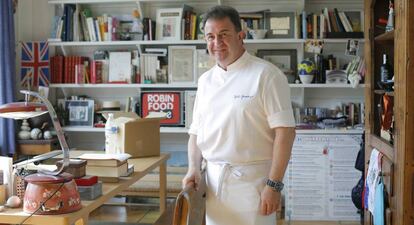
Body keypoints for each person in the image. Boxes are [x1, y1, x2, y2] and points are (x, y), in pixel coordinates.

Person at [182, 5, 296, 225]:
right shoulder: (205, 81)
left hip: (254, 185)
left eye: (224, 35)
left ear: (241, 36)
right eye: (210, 37)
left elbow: (286, 133)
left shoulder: (266, 75)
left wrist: (274, 186)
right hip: (213, 185)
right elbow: (196, 132)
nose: (217, 43)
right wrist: (193, 168)